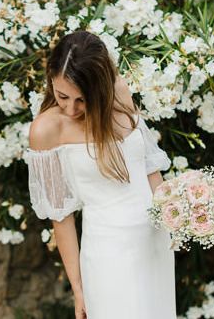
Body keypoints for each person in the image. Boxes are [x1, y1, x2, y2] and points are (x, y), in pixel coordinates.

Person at [24, 30, 176, 318]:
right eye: (62, 96)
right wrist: (79, 288)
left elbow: (148, 169)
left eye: (82, 100)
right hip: (108, 252)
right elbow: (61, 216)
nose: (71, 108)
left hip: (155, 242)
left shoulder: (120, 92)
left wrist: (178, 215)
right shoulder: (45, 130)